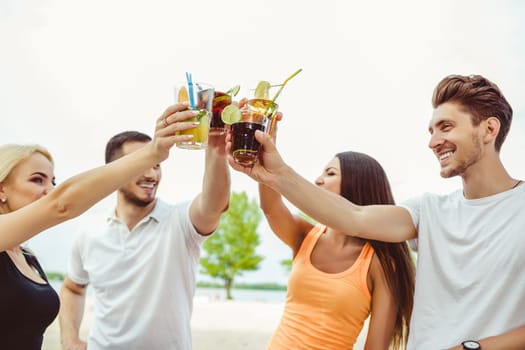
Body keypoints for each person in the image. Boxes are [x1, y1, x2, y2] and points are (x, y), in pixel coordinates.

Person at [228, 74, 525, 350]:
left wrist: (471, 348)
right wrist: (275, 173)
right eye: (432, 131)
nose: (433, 142)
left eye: (446, 127)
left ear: (489, 129)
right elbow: (353, 217)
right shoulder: (428, 210)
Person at [0, 102, 196, 350]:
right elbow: (61, 203)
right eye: (37, 179)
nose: (49, 190)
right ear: (1, 189)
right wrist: (152, 153)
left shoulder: (27, 258)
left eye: (53, 181)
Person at [59, 126, 230, 349]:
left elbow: (214, 202)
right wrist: (69, 339)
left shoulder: (181, 222)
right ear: (114, 171)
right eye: (142, 164)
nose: (151, 174)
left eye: (157, 165)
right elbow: (73, 288)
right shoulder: (89, 231)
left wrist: (216, 145)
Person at [260, 149, 415, 349]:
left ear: (358, 184)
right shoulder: (306, 236)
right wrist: (263, 154)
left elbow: (376, 347)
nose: (318, 180)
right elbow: (271, 208)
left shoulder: (381, 264)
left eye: (330, 173)